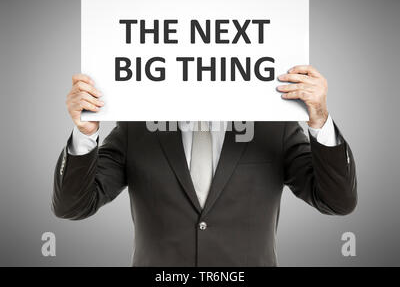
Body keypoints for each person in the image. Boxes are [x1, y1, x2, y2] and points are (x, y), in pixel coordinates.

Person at [52, 65, 357, 266]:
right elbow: (73, 206)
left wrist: (320, 120)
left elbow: (336, 201)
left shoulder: (273, 126)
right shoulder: (138, 127)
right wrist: (85, 132)